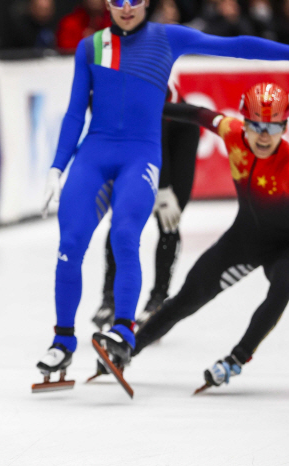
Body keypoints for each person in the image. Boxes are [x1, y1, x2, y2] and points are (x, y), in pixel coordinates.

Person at [36, 0, 289, 388]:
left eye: (133, 2)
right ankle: (91, 344)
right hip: (101, 159)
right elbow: (79, 113)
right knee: (78, 248)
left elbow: (236, 45)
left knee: (125, 236)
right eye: (117, 2)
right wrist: (58, 166)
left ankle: (149, 336)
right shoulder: (93, 46)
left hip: (147, 161)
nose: (125, 9)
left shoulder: (168, 38)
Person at [134, 83, 289, 392]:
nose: (263, 135)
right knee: (188, 297)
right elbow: (195, 113)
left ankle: (236, 358)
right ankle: (130, 348)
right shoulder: (232, 133)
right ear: (243, 121)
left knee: (284, 286)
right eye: (256, 125)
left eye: (273, 127)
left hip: (284, 247)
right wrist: (148, 108)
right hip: (244, 239)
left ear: (284, 126)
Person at [92, 85, 200, 331]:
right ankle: (109, 297)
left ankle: (158, 298)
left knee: (168, 218)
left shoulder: (143, 74)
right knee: (123, 218)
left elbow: (155, 129)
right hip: (140, 138)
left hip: (179, 129)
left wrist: (162, 189)